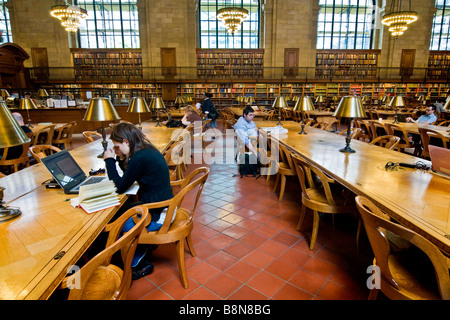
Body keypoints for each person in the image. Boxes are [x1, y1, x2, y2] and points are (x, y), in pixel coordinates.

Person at [103, 122, 174, 278]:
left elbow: (120, 187)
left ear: (126, 142)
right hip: (164, 205)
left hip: (160, 214)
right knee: (121, 211)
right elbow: (130, 174)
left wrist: (109, 161)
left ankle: (138, 262)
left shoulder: (139, 157)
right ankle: (140, 248)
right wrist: (121, 157)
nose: (116, 150)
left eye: (117, 147)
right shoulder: (145, 150)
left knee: (119, 223)